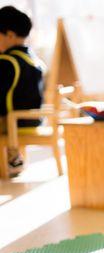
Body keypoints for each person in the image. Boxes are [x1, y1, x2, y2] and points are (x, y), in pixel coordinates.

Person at [0, 6, 44, 177]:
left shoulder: (6, 62)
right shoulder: (32, 59)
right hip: (32, 120)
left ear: (9, 35)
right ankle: (15, 158)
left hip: (12, 122)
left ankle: (11, 158)